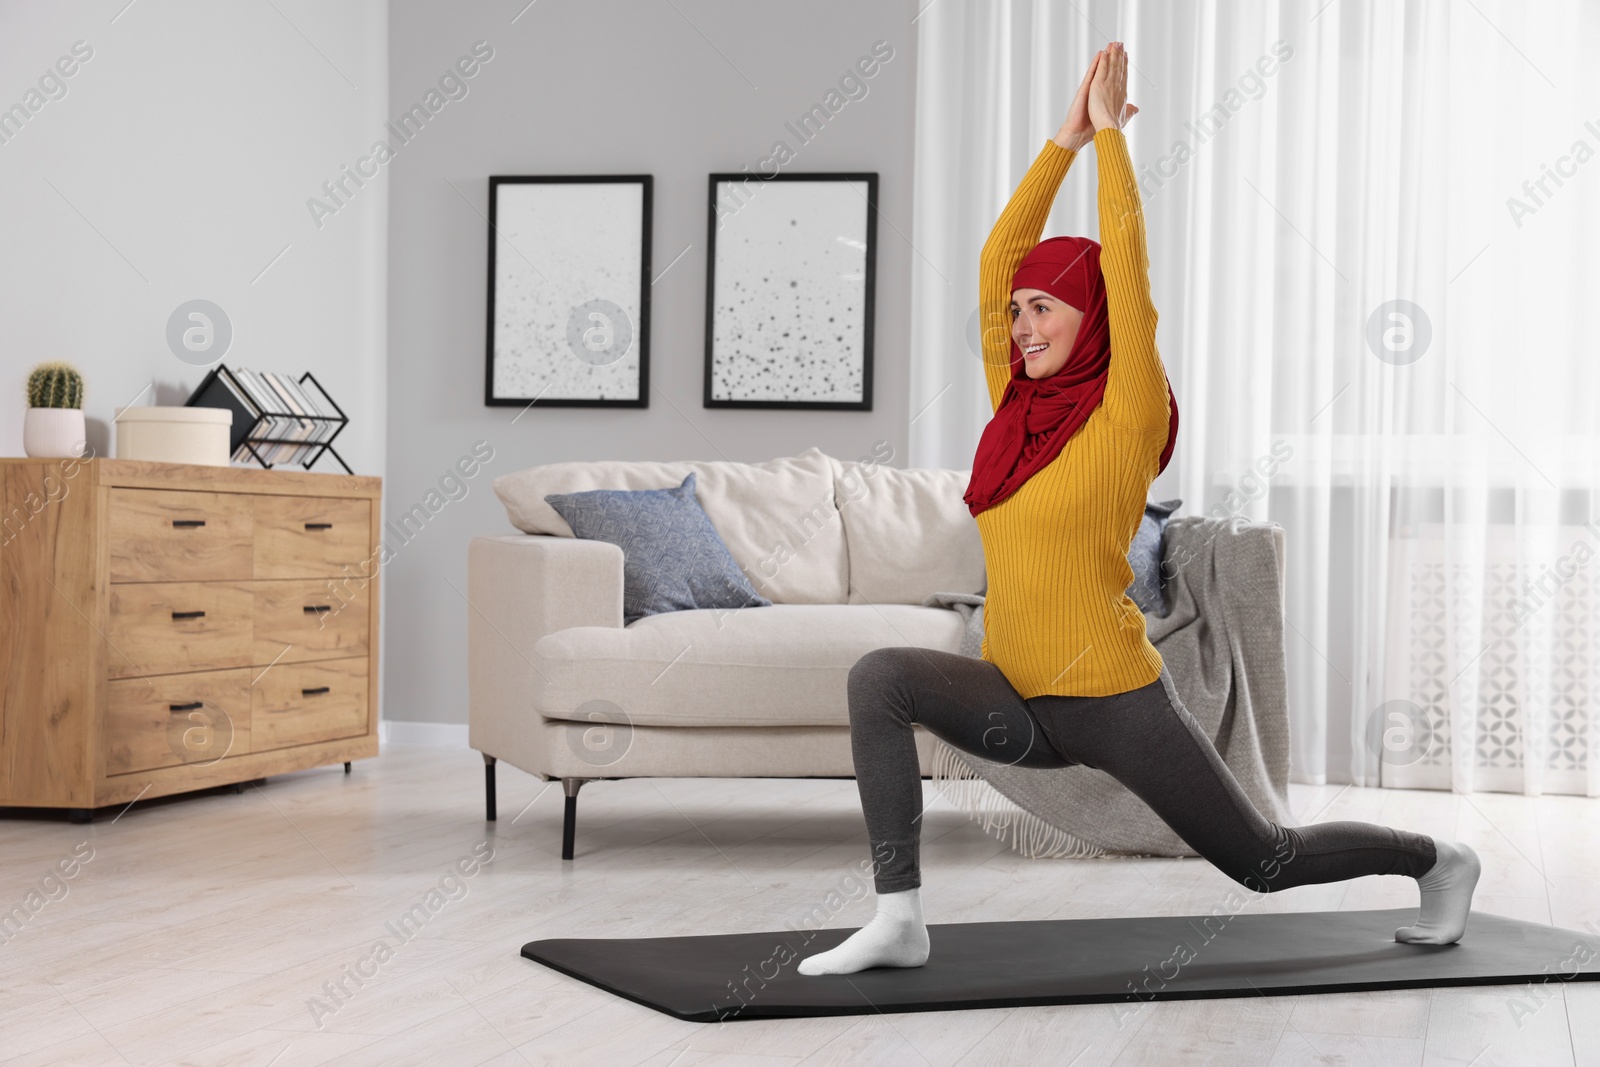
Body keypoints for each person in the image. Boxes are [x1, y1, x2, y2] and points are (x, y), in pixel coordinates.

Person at [796, 42, 1480, 977]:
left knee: (1263, 861)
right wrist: (1061, 141)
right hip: (1017, 700)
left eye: (1046, 309)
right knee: (880, 675)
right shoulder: (1017, 410)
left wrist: (1112, 141)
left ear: (1091, 320)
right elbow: (998, 259)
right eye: (1021, 311)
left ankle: (1436, 859)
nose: (1024, 324)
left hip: (1115, 703)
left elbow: (1128, 272)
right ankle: (900, 917)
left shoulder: (1125, 415)